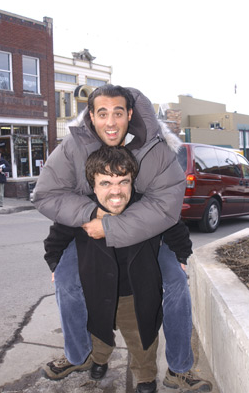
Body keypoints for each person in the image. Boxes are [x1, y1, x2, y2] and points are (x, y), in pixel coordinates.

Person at [34, 85, 212, 392]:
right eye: (102, 114)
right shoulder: (73, 147)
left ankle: (179, 368)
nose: (111, 122)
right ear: (91, 116)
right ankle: (78, 354)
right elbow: (47, 195)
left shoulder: (157, 150)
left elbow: (166, 210)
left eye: (118, 113)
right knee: (65, 279)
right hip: (89, 230)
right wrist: (91, 213)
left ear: (129, 114)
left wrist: (178, 255)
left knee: (176, 285)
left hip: (153, 233)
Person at [45, 145, 165, 393]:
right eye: (106, 183)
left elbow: (173, 225)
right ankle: (98, 360)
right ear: (92, 184)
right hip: (97, 290)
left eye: (123, 181)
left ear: (133, 181)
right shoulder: (81, 210)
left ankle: (145, 376)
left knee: (142, 340)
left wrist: (182, 254)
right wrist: (56, 264)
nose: (116, 191)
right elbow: (56, 238)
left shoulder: (146, 207)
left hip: (136, 292)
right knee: (99, 333)